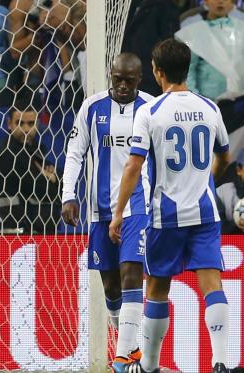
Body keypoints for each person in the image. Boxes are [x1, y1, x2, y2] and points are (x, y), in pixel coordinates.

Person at [109, 38, 231, 373]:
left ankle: (149, 365)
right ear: (187, 68)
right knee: (211, 283)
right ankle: (220, 359)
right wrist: (207, 182)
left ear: (156, 71)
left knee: (158, 287)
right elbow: (224, 155)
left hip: (166, 215)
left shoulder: (150, 112)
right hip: (206, 212)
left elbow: (134, 165)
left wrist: (119, 212)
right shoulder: (210, 107)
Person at [62, 53, 154, 372]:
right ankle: (131, 345)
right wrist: (68, 195)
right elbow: (75, 154)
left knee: (132, 275)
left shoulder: (151, 109)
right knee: (111, 288)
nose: (124, 85)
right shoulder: (92, 107)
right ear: (111, 76)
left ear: (140, 79)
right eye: (118, 79)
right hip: (100, 210)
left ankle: (121, 358)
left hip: (138, 207)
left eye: (130, 80)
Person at [0, 97, 60, 234]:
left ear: (37, 124)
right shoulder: (7, 155)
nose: (25, 129)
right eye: (20, 123)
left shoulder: (37, 152)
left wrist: (53, 178)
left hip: (40, 231)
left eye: (30, 123)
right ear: (9, 124)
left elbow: (61, 185)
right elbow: (43, 191)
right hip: (17, 233)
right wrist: (53, 179)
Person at [216, 146, 244, 233]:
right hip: (231, 245)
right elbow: (215, 230)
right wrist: (238, 221)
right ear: (239, 170)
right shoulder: (222, 192)